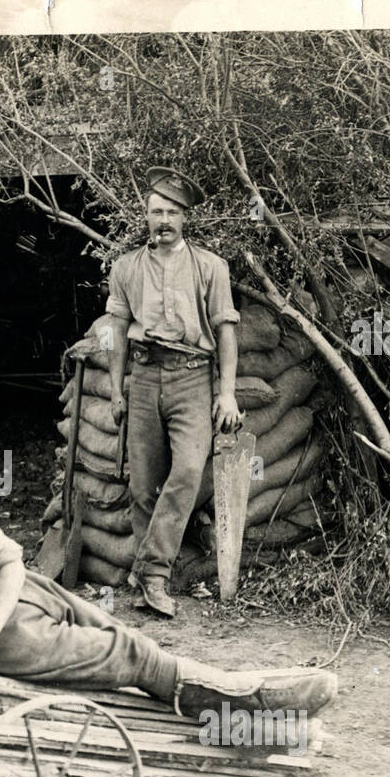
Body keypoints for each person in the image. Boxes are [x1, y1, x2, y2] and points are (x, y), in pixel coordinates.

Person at [0, 416, 335, 717]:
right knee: (129, 654)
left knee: (120, 631)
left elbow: (8, 561)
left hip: (12, 604)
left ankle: (220, 690)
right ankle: (248, 704)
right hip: (7, 641)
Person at [105, 168, 243, 618]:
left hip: (191, 377)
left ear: (185, 218)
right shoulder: (126, 267)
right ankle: (152, 581)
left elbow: (225, 330)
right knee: (143, 484)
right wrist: (115, 388)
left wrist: (226, 394)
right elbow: (116, 330)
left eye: (171, 212)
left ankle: (152, 572)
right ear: (144, 217)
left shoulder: (210, 267)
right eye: (155, 211)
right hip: (143, 377)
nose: (162, 219)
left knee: (186, 472)